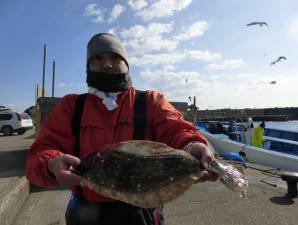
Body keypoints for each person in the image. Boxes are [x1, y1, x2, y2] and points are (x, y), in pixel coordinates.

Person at [26, 33, 217, 225]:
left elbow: (176, 129)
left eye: (115, 57)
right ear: (87, 66)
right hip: (86, 212)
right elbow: (40, 152)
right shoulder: (71, 105)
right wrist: (51, 163)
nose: (107, 64)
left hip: (141, 213)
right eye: (98, 58)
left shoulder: (151, 101)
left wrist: (192, 145)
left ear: (126, 64)